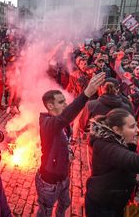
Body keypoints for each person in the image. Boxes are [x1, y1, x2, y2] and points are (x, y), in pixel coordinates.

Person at [37, 72, 105, 217]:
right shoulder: (47, 123)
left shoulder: (64, 125)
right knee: (46, 210)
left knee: (65, 203)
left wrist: (68, 152)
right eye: (61, 102)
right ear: (50, 105)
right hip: (49, 180)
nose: (66, 104)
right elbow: (65, 117)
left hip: (64, 176)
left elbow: (64, 136)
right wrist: (85, 94)